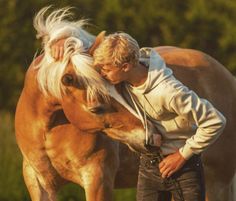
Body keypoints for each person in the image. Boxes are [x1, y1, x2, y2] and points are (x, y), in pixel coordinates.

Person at [51, 32, 226, 201]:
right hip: (149, 167)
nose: (101, 75)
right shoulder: (121, 83)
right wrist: (62, 40)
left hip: (183, 169)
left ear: (125, 67)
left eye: (106, 69)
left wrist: (183, 155)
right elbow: (90, 51)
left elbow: (215, 121)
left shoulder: (170, 92)